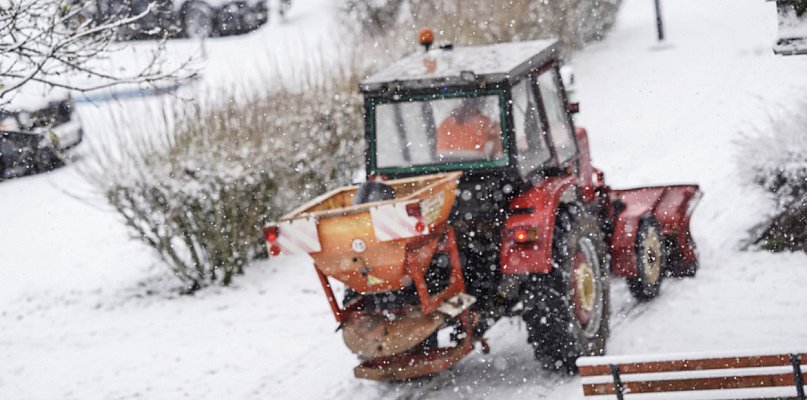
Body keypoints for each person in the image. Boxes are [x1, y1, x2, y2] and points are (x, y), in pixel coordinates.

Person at [435, 97, 502, 161]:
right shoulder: (485, 123)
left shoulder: (445, 124)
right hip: (476, 167)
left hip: (450, 167)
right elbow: (498, 151)